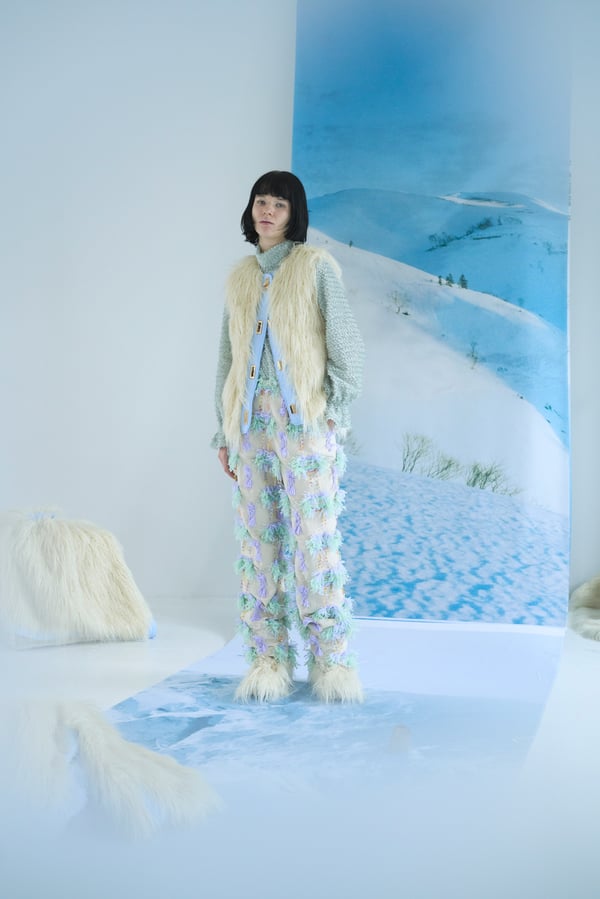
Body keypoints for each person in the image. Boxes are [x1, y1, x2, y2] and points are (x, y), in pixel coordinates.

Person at [212, 170, 364, 703]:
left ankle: (331, 661)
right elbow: (228, 359)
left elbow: (347, 346)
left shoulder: (315, 267)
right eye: (261, 201)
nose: (268, 211)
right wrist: (224, 432)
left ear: (294, 213)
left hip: (305, 426)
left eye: (279, 204)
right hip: (251, 426)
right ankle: (268, 659)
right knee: (260, 543)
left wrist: (332, 411)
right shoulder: (240, 278)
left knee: (314, 541)